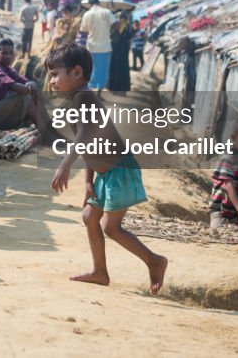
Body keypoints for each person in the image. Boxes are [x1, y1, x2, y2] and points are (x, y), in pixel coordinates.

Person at [47, 44, 168, 293]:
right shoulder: (78, 99)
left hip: (119, 170)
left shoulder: (84, 97)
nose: (52, 81)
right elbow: (91, 141)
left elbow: (84, 136)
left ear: (77, 72)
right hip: (106, 173)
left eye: (55, 74)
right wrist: (88, 181)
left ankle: (154, 260)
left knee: (110, 227)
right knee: (90, 217)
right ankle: (100, 272)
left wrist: (64, 165)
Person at [0, 38, 54, 141]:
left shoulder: (7, 68)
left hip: (3, 113)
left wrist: (33, 89)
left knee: (30, 87)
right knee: (24, 96)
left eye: (11, 53)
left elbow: (24, 81)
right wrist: (37, 94)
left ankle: (50, 130)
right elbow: (15, 86)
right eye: (4, 53)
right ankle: (48, 135)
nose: (8, 56)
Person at [78, 0, 115, 92]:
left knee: (92, 69)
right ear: (99, 2)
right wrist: (110, 30)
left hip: (91, 46)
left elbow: (83, 31)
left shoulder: (87, 14)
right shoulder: (106, 12)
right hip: (104, 46)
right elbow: (115, 24)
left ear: (90, 4)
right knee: (103, 71)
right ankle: (99, 90)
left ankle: (90, 89)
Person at [107, 12, 133, 93]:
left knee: (114, 67)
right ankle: (123, 87)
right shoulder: (128, 26)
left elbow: (110, 35)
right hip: (124, 50)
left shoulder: (115, 25)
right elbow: (130, 36)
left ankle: (112, 86)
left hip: (115, 49)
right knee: (123, 68)